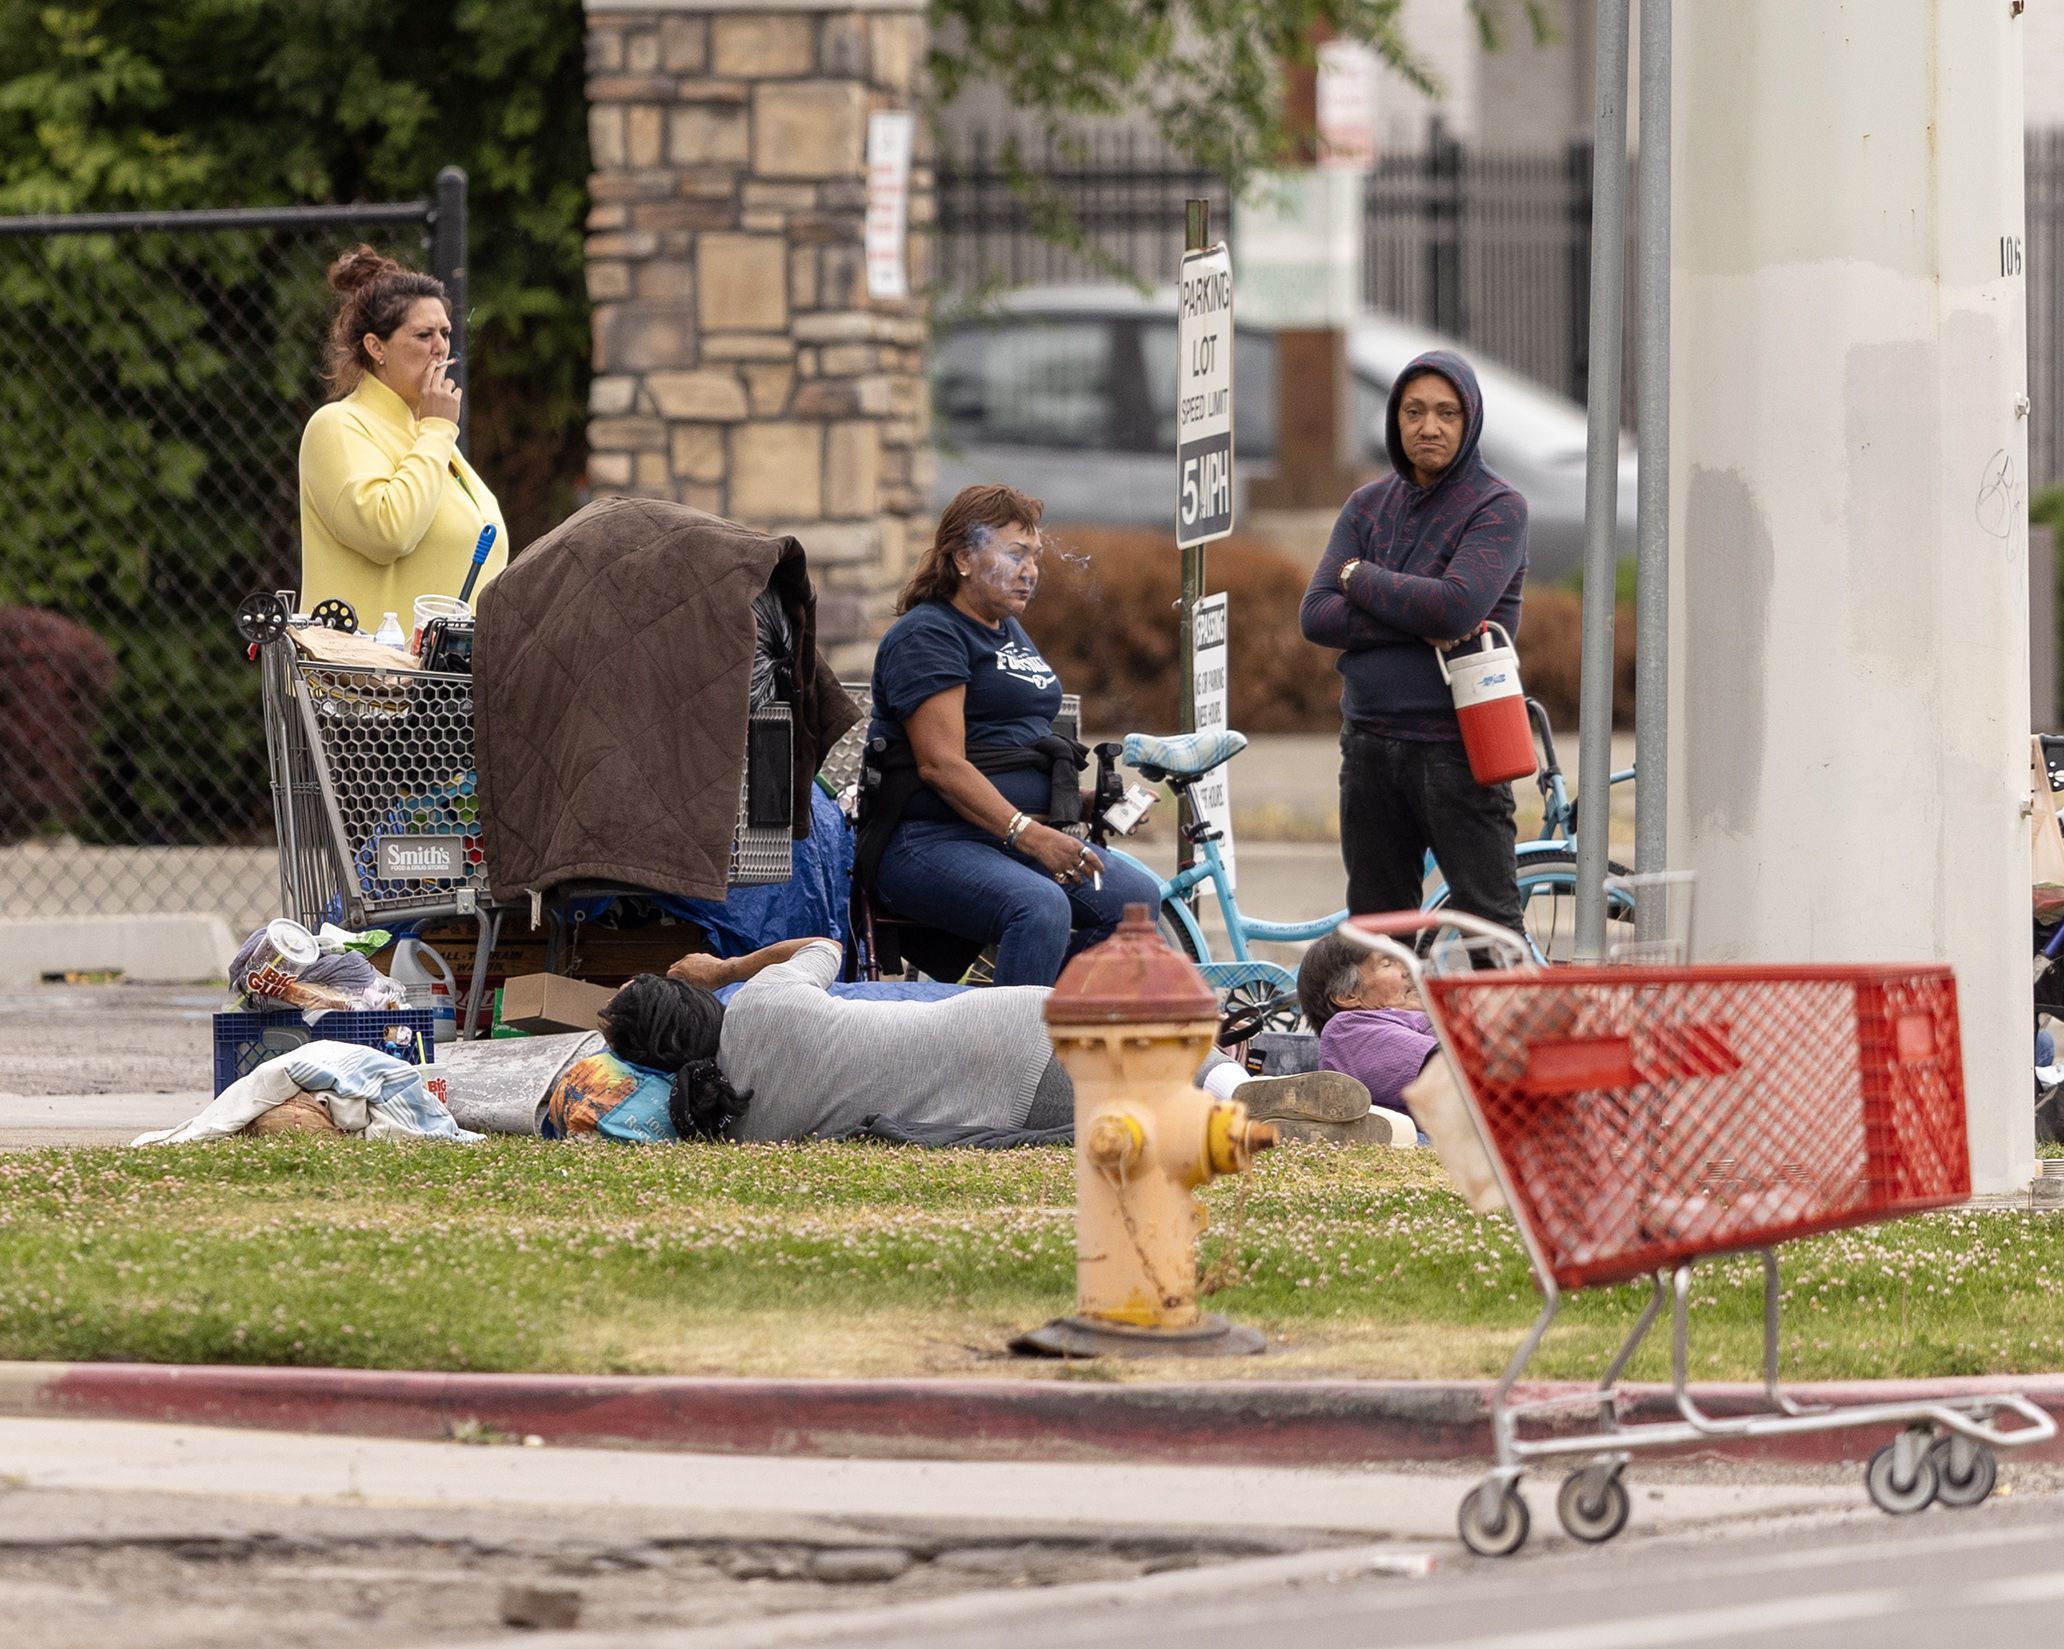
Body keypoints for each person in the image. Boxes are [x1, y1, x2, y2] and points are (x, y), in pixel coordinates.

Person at [544, 936, 1319, 1145]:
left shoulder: (729, 1120)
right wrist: (726, 968)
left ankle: (1232, 1102)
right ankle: (1235, 1084)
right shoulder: (766, 1000)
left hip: (995, 1105)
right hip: (1005, 1025)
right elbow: (824, 944)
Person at [858, 483, 1159, 987]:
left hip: (1003, 837)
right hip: (926, 842)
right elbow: (940, 764)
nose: (1031, 570)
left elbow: (1011, 751)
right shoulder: (928, 635)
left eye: (1035, 556)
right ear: (963, 558)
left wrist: (1088, 802)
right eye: (1015, 554)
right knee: (1039, 907)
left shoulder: (1006, 627)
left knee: (1137, 901)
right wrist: (1032, 835)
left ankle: (1041, 1023)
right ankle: (1007, 1054)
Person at [1298, 351, 1527, 938]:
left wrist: (1357, 578)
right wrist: (1418, 615)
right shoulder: (1368, 505)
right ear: (1395, 420)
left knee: (1490, 936)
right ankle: (1399, 1035)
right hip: (1368, 744)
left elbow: (1456, 605)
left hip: (1459, 749)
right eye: (1414, 411)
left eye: (1447, 413)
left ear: (1470, 419)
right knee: (1378, 942)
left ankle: (1497, 1035)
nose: (1429, 427)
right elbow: (1317, 615)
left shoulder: (1497, 507)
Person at [298, 246, 508, 626]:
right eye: (423, 334)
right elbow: (387, 532)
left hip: (444, 683)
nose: (440, 347)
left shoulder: (425, 435)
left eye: (445, 332)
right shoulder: (339, 425)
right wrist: (438, 429)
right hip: (367, 681)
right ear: (376, 347)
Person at [1296, 930, 1439, 1128]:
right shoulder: (1348, 1031)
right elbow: (1457, 1071)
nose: (1408, 968)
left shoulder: (1419, 1017)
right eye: (1388, 963)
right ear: (1348, 995)